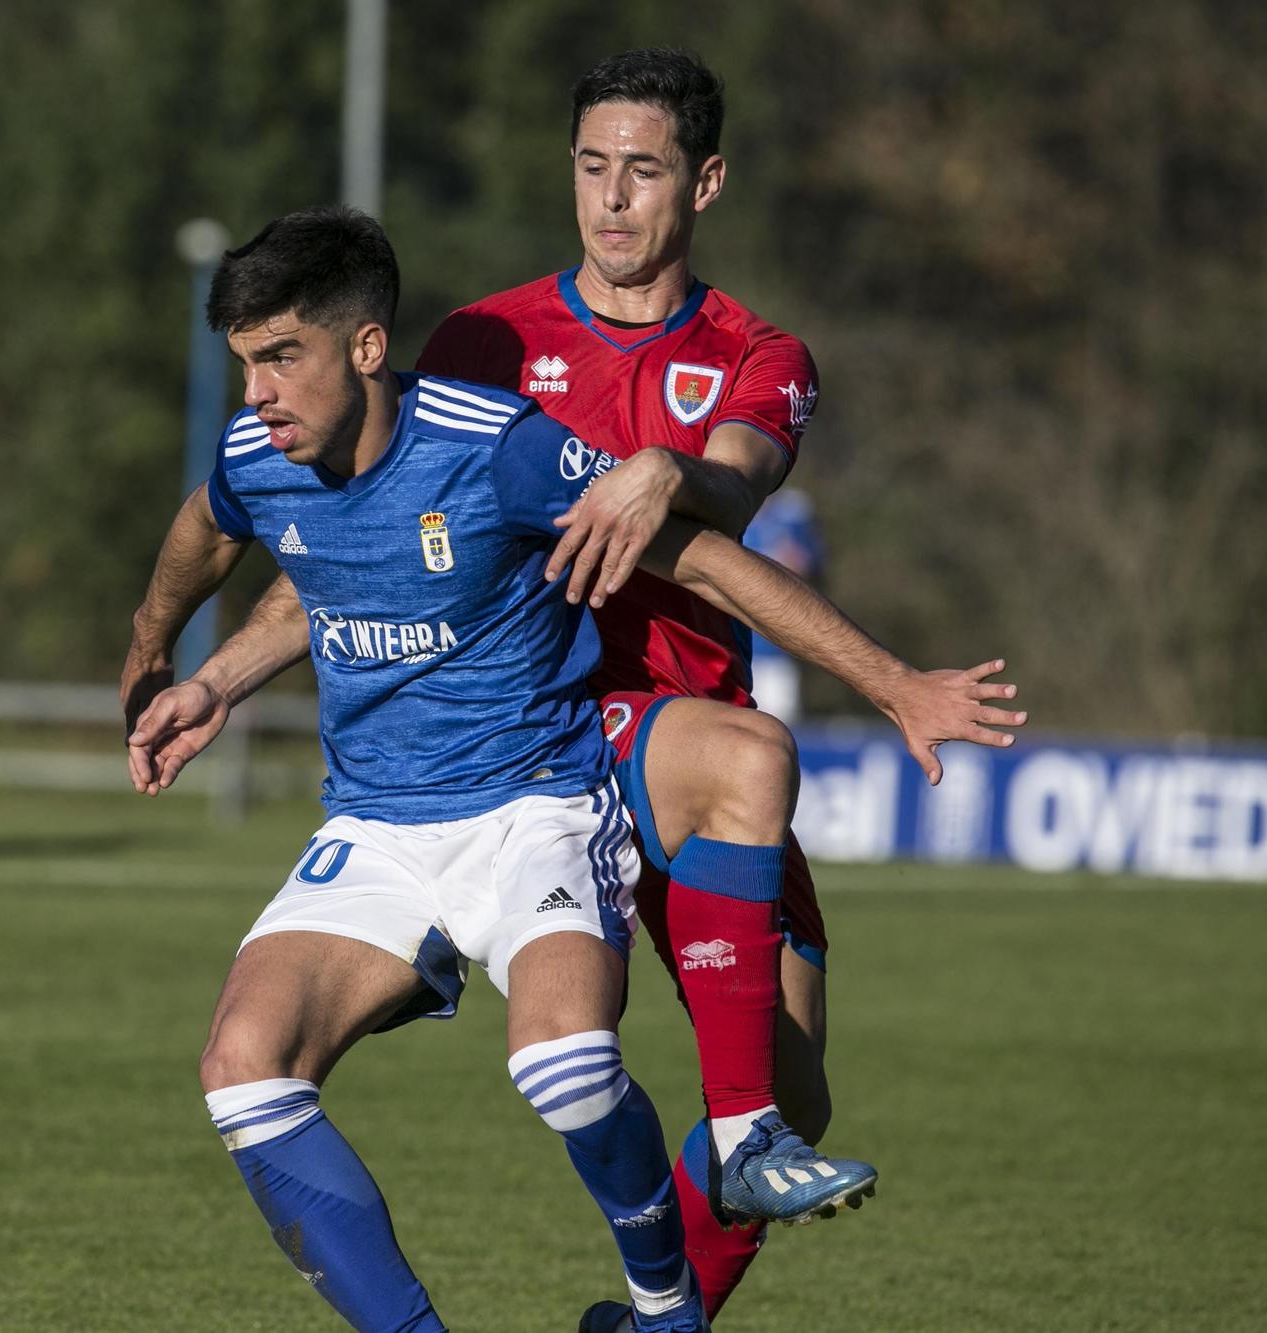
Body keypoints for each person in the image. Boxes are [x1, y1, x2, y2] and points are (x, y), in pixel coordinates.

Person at [123, 208, 1022, 1332]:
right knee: (241, 1072)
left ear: (363, 347)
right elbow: (208, 529)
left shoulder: (495, 443)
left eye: (279, 357)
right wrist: (169, 652)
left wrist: (889, 680)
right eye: (243, 362)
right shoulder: (263, 452)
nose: (256, 392)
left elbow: (701, 558)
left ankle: (661, 1304)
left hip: (531, 810)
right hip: (374, 830)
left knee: (565, 1065)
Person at [410, 48, 969, 1319]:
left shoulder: (758, 352)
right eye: (592, 168)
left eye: (644, 171)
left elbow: (734, 478)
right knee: (739, 801)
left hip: (697, 716)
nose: (612, 199)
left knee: (799, 1080)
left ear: (703, 183)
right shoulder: (482, 342)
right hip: (549, 723)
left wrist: (669, 468)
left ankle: (664, 1308)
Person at [740, 490, 826, 722]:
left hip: (777, 651)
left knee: (782, 727)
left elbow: (815, 562)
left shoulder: (793, 513)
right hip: (732, 651)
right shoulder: (730, 510)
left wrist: (800, 561)